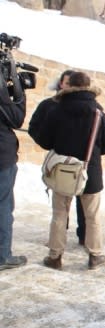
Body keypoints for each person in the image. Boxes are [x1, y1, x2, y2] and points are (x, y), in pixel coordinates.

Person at [36, 72, 105, 270]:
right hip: (91, 171)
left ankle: (55, 256)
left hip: (62, 170)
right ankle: (95, 255)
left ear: (68, 85)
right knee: (92, 216)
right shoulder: (99, 113)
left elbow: (44, 140)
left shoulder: (56, 109)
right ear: (89, 87)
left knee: (59, 214)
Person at [29, 69, 88, 247]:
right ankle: (58, 240)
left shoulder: (89, 106)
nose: (69, 86)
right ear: (61, 84)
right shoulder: (50, 105)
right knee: (61, 205)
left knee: (83, 201)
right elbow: (35, 128)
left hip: (84, 161)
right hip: (61, 160)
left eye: (72, 83)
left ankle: (84, 237)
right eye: (66, 82)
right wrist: (51, 144)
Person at [0, 50, 28, 270]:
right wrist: (18, 88)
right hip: (2, 157)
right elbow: (16, 118)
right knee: (3, 206)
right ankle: (3, 256)